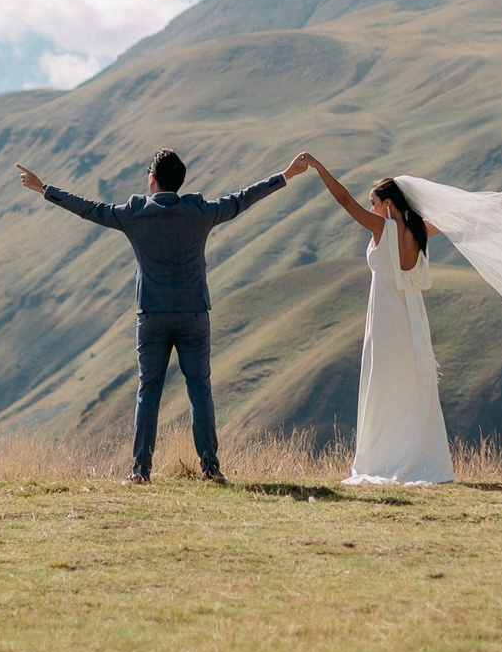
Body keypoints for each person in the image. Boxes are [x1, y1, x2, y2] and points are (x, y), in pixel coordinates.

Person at [16, 146, 305, 484]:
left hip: (151, 316)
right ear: (180, 182)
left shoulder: (134, 213)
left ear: (151, 180)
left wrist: (43, 187)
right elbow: (243, 199)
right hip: (193, 314)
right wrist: (285, 175)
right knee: (200, 391)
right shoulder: (200, 211)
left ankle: (141, 472)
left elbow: (89, 209)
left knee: (148, 392)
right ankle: (210, 469)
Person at [294, 154, 454, 485]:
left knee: (383, 389)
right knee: (412, 389)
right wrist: (493, 203)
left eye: (374, 202)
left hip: (387, 319)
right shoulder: (420, 230)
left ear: (388, 203)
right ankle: (420, 458)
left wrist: (321, 168)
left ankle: (385, 458)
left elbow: (343, 199)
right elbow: (456, 218)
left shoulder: (382, 227)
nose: (371, 208)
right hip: (414, 320)